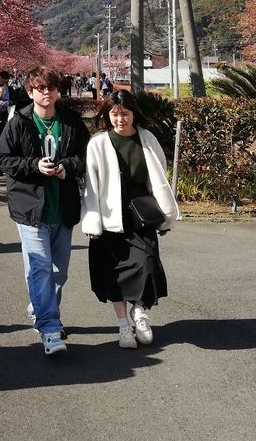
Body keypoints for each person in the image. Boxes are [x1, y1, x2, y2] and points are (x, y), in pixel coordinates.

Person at [0, 66, 88, 356]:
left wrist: (67, 167)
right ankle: (49, 328)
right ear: (30, 91)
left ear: (58, 90)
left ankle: (39, 308)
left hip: (63, 208)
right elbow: (3, 159)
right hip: (30, 209)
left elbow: (85, 157)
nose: (46, 93)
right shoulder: (20, 121)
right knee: (40, 268)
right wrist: (34, 165)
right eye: (40, 88)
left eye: (51, 87)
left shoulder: (71, 122)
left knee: (59, 272)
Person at [80, 90, 179, 348]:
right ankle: (123, 325)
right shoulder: (98, 143)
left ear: (134, 114)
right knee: (114, 273)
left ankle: (140, 313)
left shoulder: (147, 138)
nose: (120, 119)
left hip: (141, 215)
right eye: (114, 114)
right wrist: (92, 222)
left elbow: (160, 177)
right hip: (109, 217)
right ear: (107, 115)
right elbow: (91, 185)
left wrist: (164, 215)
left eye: (125, 113)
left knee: (146, 265)